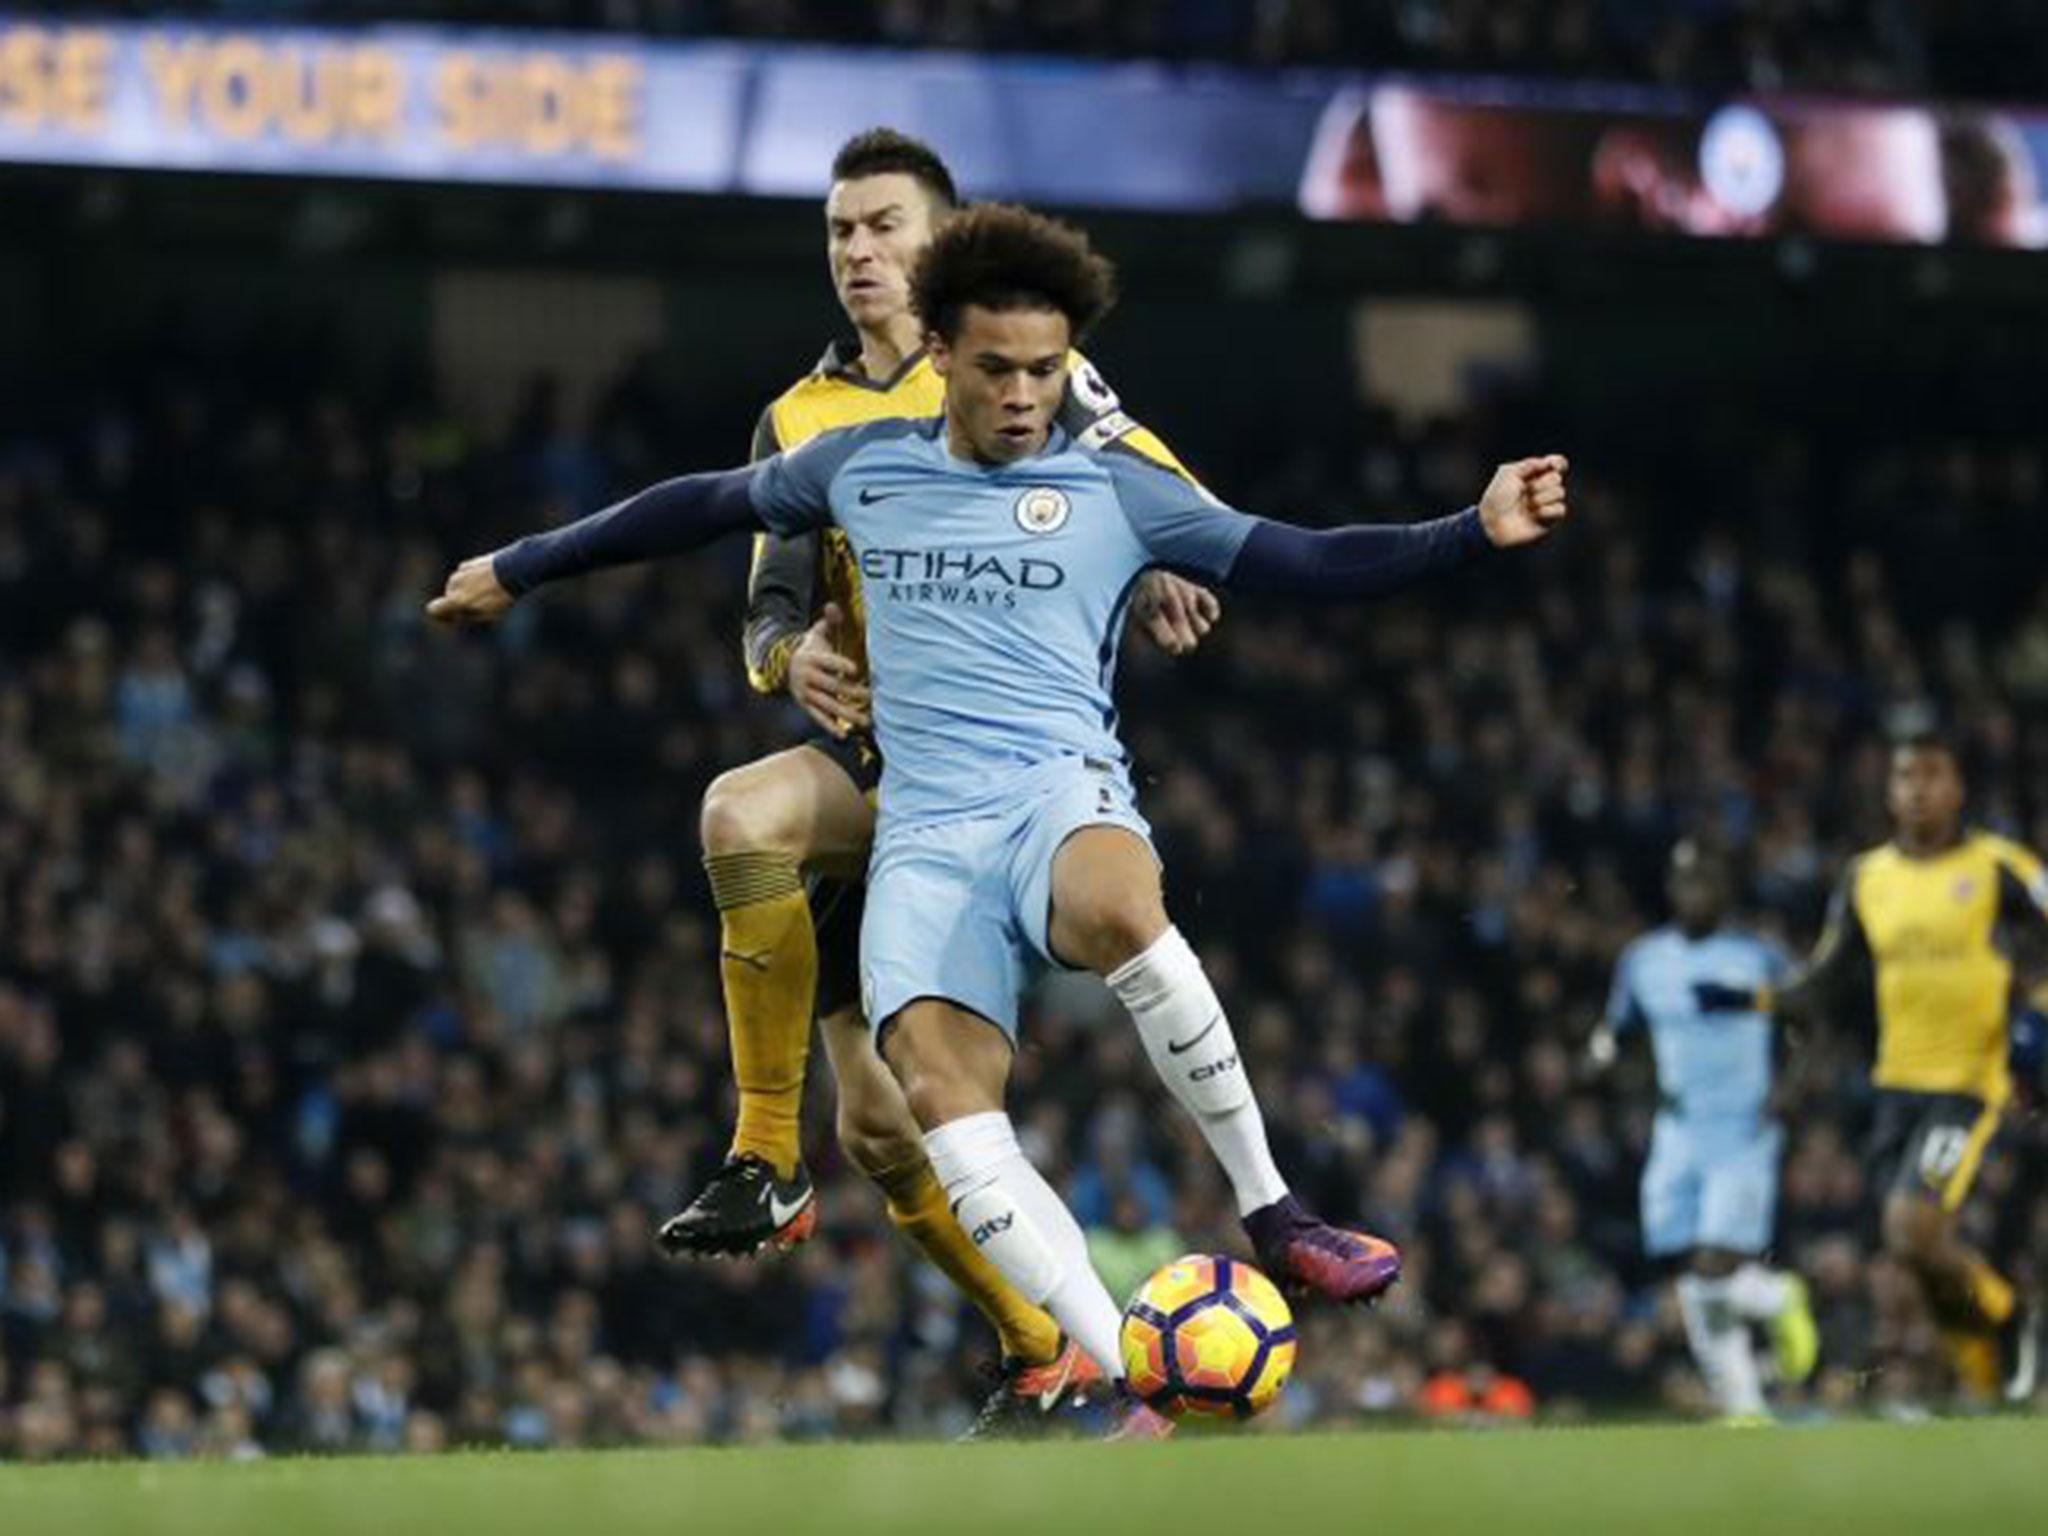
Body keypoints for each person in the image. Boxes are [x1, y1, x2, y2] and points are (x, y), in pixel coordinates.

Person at [428, 201, 1571, 1431]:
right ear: (938, 356)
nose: (1024, 394)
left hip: (1055, 798)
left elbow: (1300, 559)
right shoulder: (858, 469)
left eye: (1042, 369)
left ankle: (1276, 1212)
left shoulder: (1118, 490)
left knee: (1117, 902)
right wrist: (520, 565)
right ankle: (1138, 1374)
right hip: (925, 835)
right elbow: (693, 505)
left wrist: (1469, 528)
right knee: (935, 1103)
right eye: (995, 369)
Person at [661, 128, 1218, 1433]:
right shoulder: (798, 419)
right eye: (842, 232)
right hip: (872, 751)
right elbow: (768, 604)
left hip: (990, 764)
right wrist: (785, 654)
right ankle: (1043, 1353)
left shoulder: (1020, 368)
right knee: (878, 1132)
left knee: (742, 813)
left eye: (885, 227)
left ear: (944, 238)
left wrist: (1181, 563)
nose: (861, 252)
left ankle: (757, 1154)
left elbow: (1147, 467)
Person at [1694, 727, 2048, 1402]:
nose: (1919, 791)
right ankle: (1988, 1384)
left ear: (1958, 788)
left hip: (1969, 1083)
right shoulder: (1867, 878)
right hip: (1895, 1085)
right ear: (1889, 792)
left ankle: (2010, 1318)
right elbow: (1825, 979)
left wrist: (2036, 1010)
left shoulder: (1999, 866)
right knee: (1914, 1253)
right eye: (1906, 778)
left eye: (1933, 776)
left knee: (1910, 1226)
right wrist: (1753, 999)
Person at [1590, 840, 1818, 1420]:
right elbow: (1617, 1031)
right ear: (1672, 887)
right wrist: (1602, 1056)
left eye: (1706, 881)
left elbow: (1807, 1018)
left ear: (1724, 889)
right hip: (1678, 1131)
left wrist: (1790, 1084)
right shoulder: (1644, 959)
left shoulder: (1757, 955)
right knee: (1692, 1274)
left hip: (1743, 1128)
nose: (1694, 892)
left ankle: (1777, 1296)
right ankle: (1745, 1409)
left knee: (1716, 1264)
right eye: (1685, 880)